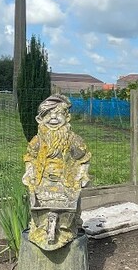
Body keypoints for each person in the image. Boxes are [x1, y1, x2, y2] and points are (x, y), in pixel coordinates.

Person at [22, 94, 91, 248]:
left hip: (66, 179)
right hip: (43, 178)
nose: (53, 118)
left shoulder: (73, 140)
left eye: (58, 113)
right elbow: (30, 157)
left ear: (67, 117)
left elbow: (83, 157)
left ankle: (68, 227)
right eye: (48, 114)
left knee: (71, 200)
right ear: (40, 119)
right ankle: (40, 227)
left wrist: (83, 173)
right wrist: (29, 170)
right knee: (38, 200)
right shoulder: (38, 140)